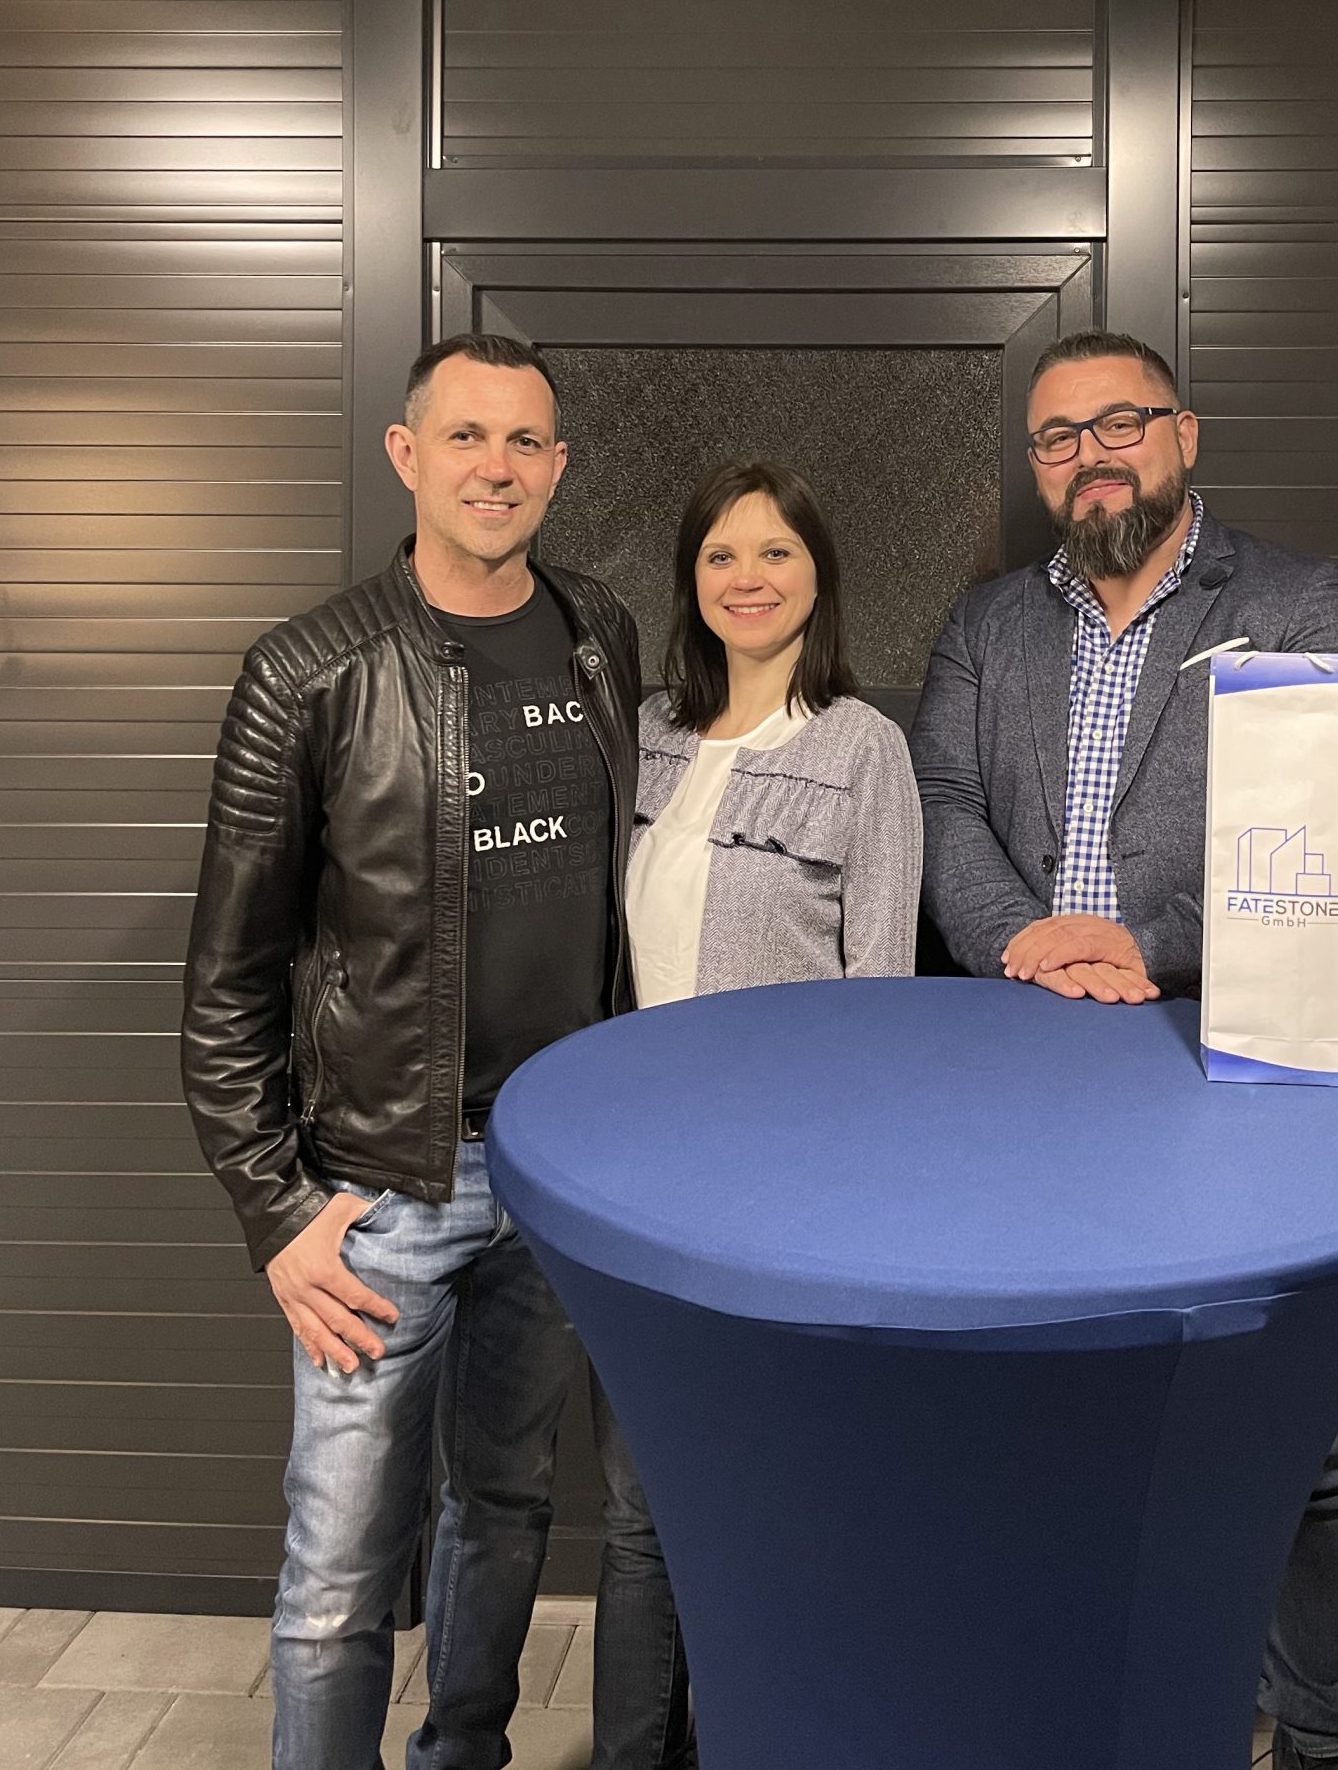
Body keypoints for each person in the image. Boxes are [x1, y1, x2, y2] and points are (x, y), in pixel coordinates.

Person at [908, 328, 1338, 1770]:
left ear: (1185, 435)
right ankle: (1094, 1704)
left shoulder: (1297, 601)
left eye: (1120, 422)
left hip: (1235, 1059)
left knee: (1290, 1429)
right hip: (1037, 1070)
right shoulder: (989, 624)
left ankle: (1321, 1730)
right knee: (1060, 1397)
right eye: (1059, 436)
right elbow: (942, 800)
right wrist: (1027, 938)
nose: (1092, 455)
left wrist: (1143, 941)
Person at [181, 332, 639, 1770]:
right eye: (466, 437)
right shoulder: (309, 671)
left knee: (504, 1506)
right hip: (382, 1194)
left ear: (557, 466)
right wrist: (277, 1212)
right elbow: (225, 986)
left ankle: (466, 1753)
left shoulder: (599, 631)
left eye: (525, 441)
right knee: (337, 1583)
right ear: (406, 453)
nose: (497, 468)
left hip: (554, 1176)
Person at [592, 458, 921, 1770]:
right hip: (636, 1183)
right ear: (690, 582)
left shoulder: (863, 748)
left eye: (776, 552)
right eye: (721, 555)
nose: (748, 578)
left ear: (818, 577)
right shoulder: (647, 735)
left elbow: (881, 997)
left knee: (774, 1502)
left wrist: (848, 1208)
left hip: (786, 1196)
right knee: (636, 1507)